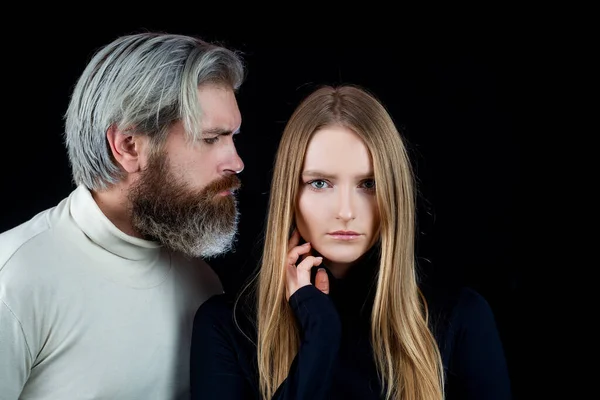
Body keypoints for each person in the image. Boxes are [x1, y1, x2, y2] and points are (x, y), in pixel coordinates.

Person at [190, 84, 512, 399]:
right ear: (290, 193)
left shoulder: (460, 318)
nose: (345, 211)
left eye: (368, 184)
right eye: (320, 183)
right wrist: (321, 334)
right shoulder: (226, 328)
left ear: (393, 192)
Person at [0, 32, 246, 399]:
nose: (237, 162)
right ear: (129, 146)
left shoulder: (203, 285)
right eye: (212, 139)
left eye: (233, 137)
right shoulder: (14, 278)